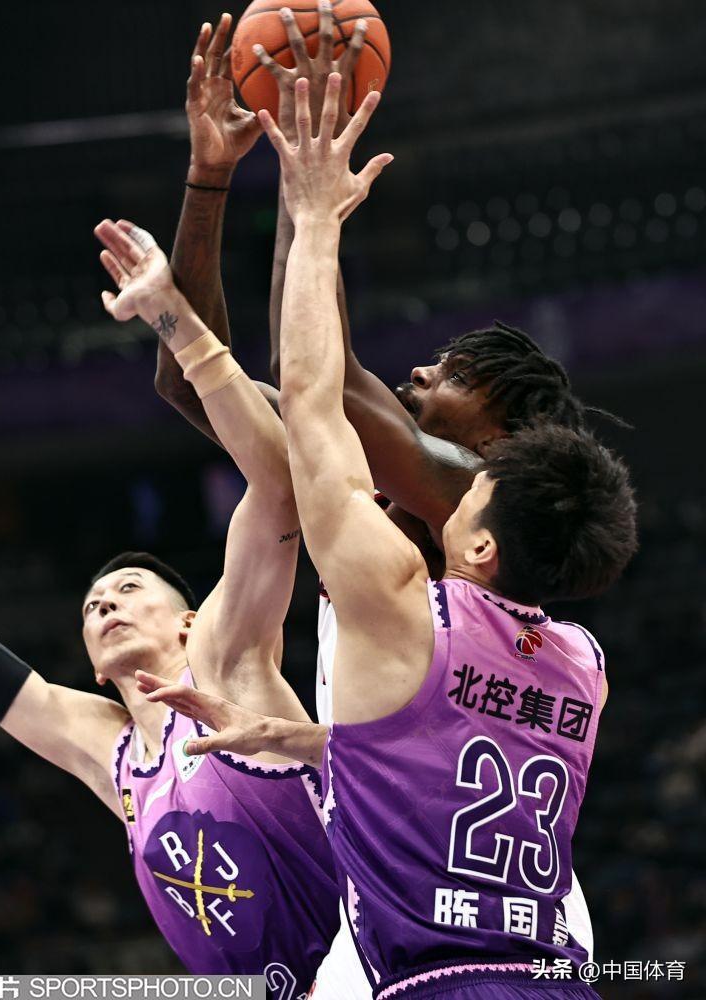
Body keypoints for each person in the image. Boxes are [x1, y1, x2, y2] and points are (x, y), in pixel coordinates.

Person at [137, 72, 638, 998]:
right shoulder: (560, 633)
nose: (419, 372)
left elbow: (312, 381)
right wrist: (215, 177)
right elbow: (197, 381)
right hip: (469, 900)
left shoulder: (466, 493)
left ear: (503, 437)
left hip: (452, 922)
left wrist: (303, 188)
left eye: (452, 373)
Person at [0, 95, 339, 990]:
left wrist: (172, 318)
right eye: (92, 606)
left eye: (127, 590)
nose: (106, 604)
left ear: (189, 618)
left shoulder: (227, 656)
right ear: (89, 662)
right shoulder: (103, 748)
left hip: (364, 972)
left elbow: (276, 482)